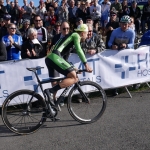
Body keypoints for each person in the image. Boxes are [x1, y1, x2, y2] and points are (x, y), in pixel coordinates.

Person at [45, 24, 92, 104]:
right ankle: (50, 91)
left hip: (49, 58)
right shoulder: (76, 35)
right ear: (82, 33)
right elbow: (79, 50)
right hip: (55, 56)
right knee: (74, 78)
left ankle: (52, 106)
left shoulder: (70, 38)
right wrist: (86, 64)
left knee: (55, 82)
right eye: (87, 34)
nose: (87, 36)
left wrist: (72, 67)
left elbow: (64, 59)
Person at [108, 15, 135, 96]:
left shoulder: (131, 32)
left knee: (125, 70)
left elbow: (132, 44)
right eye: (122, 24)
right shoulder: (115, 31)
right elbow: (109, 42)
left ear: (129, 24)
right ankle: (114, 89)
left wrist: (126, 46)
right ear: (120, 24)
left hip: (126, 53)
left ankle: (127, 85)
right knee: (115, 71)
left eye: (125, 24)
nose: (123, 26)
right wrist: (112, 46)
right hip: (116, 53)